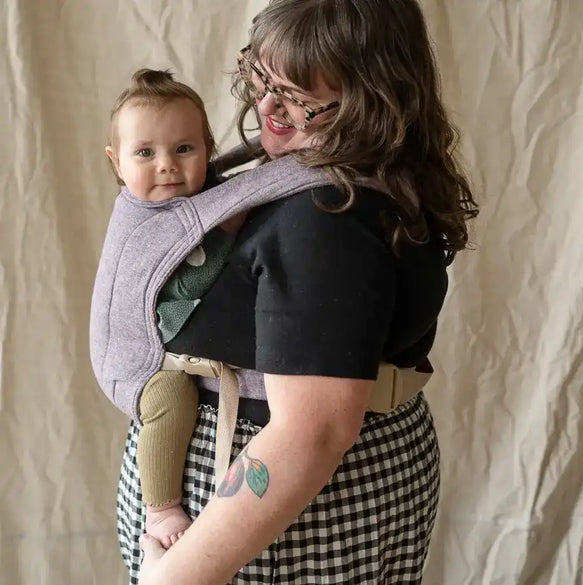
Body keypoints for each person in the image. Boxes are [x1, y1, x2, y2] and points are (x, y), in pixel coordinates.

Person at [116, 1, 479, 583]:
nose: (265, 107)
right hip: (283, 509)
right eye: (259, 79)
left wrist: (174, 577)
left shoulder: (328, 213)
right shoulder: (348, 172)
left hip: (287, 520)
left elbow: (312, 433)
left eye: (297, 98)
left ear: (372, 99)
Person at [103, 68, 242, 549]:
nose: (167, 165)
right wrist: (226, 234)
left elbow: (227, 183)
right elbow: (188, 283)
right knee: (169, 396)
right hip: (134, 361)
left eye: (184, 149)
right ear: (116, 162)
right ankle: (161, 510)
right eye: (145, 153)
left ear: (207, 148)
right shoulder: (145, 221)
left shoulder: (192, 196)